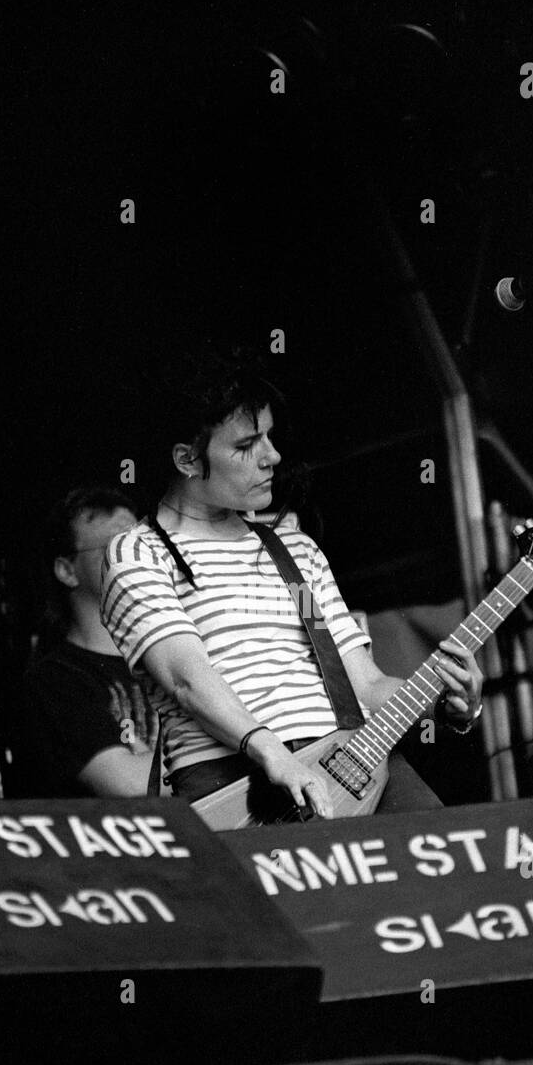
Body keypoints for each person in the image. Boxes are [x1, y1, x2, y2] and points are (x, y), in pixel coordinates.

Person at [100, 349, 482, 818]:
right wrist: (276, 756)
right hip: (237, 780)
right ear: (186, 459)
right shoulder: (139, 552)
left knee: (445, 859)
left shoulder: (292, 550)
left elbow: (367, 683)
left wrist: (446, 707)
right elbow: (185, 679)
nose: (272, 456)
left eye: (270, 436)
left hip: (353, 764)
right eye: (246, 446)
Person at [21, 487, 159, 797]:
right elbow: (131, 785)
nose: (136, 558)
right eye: (116, 547)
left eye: (143, 544)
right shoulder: (55, 681)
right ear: (67, 571)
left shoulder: (172, 655)